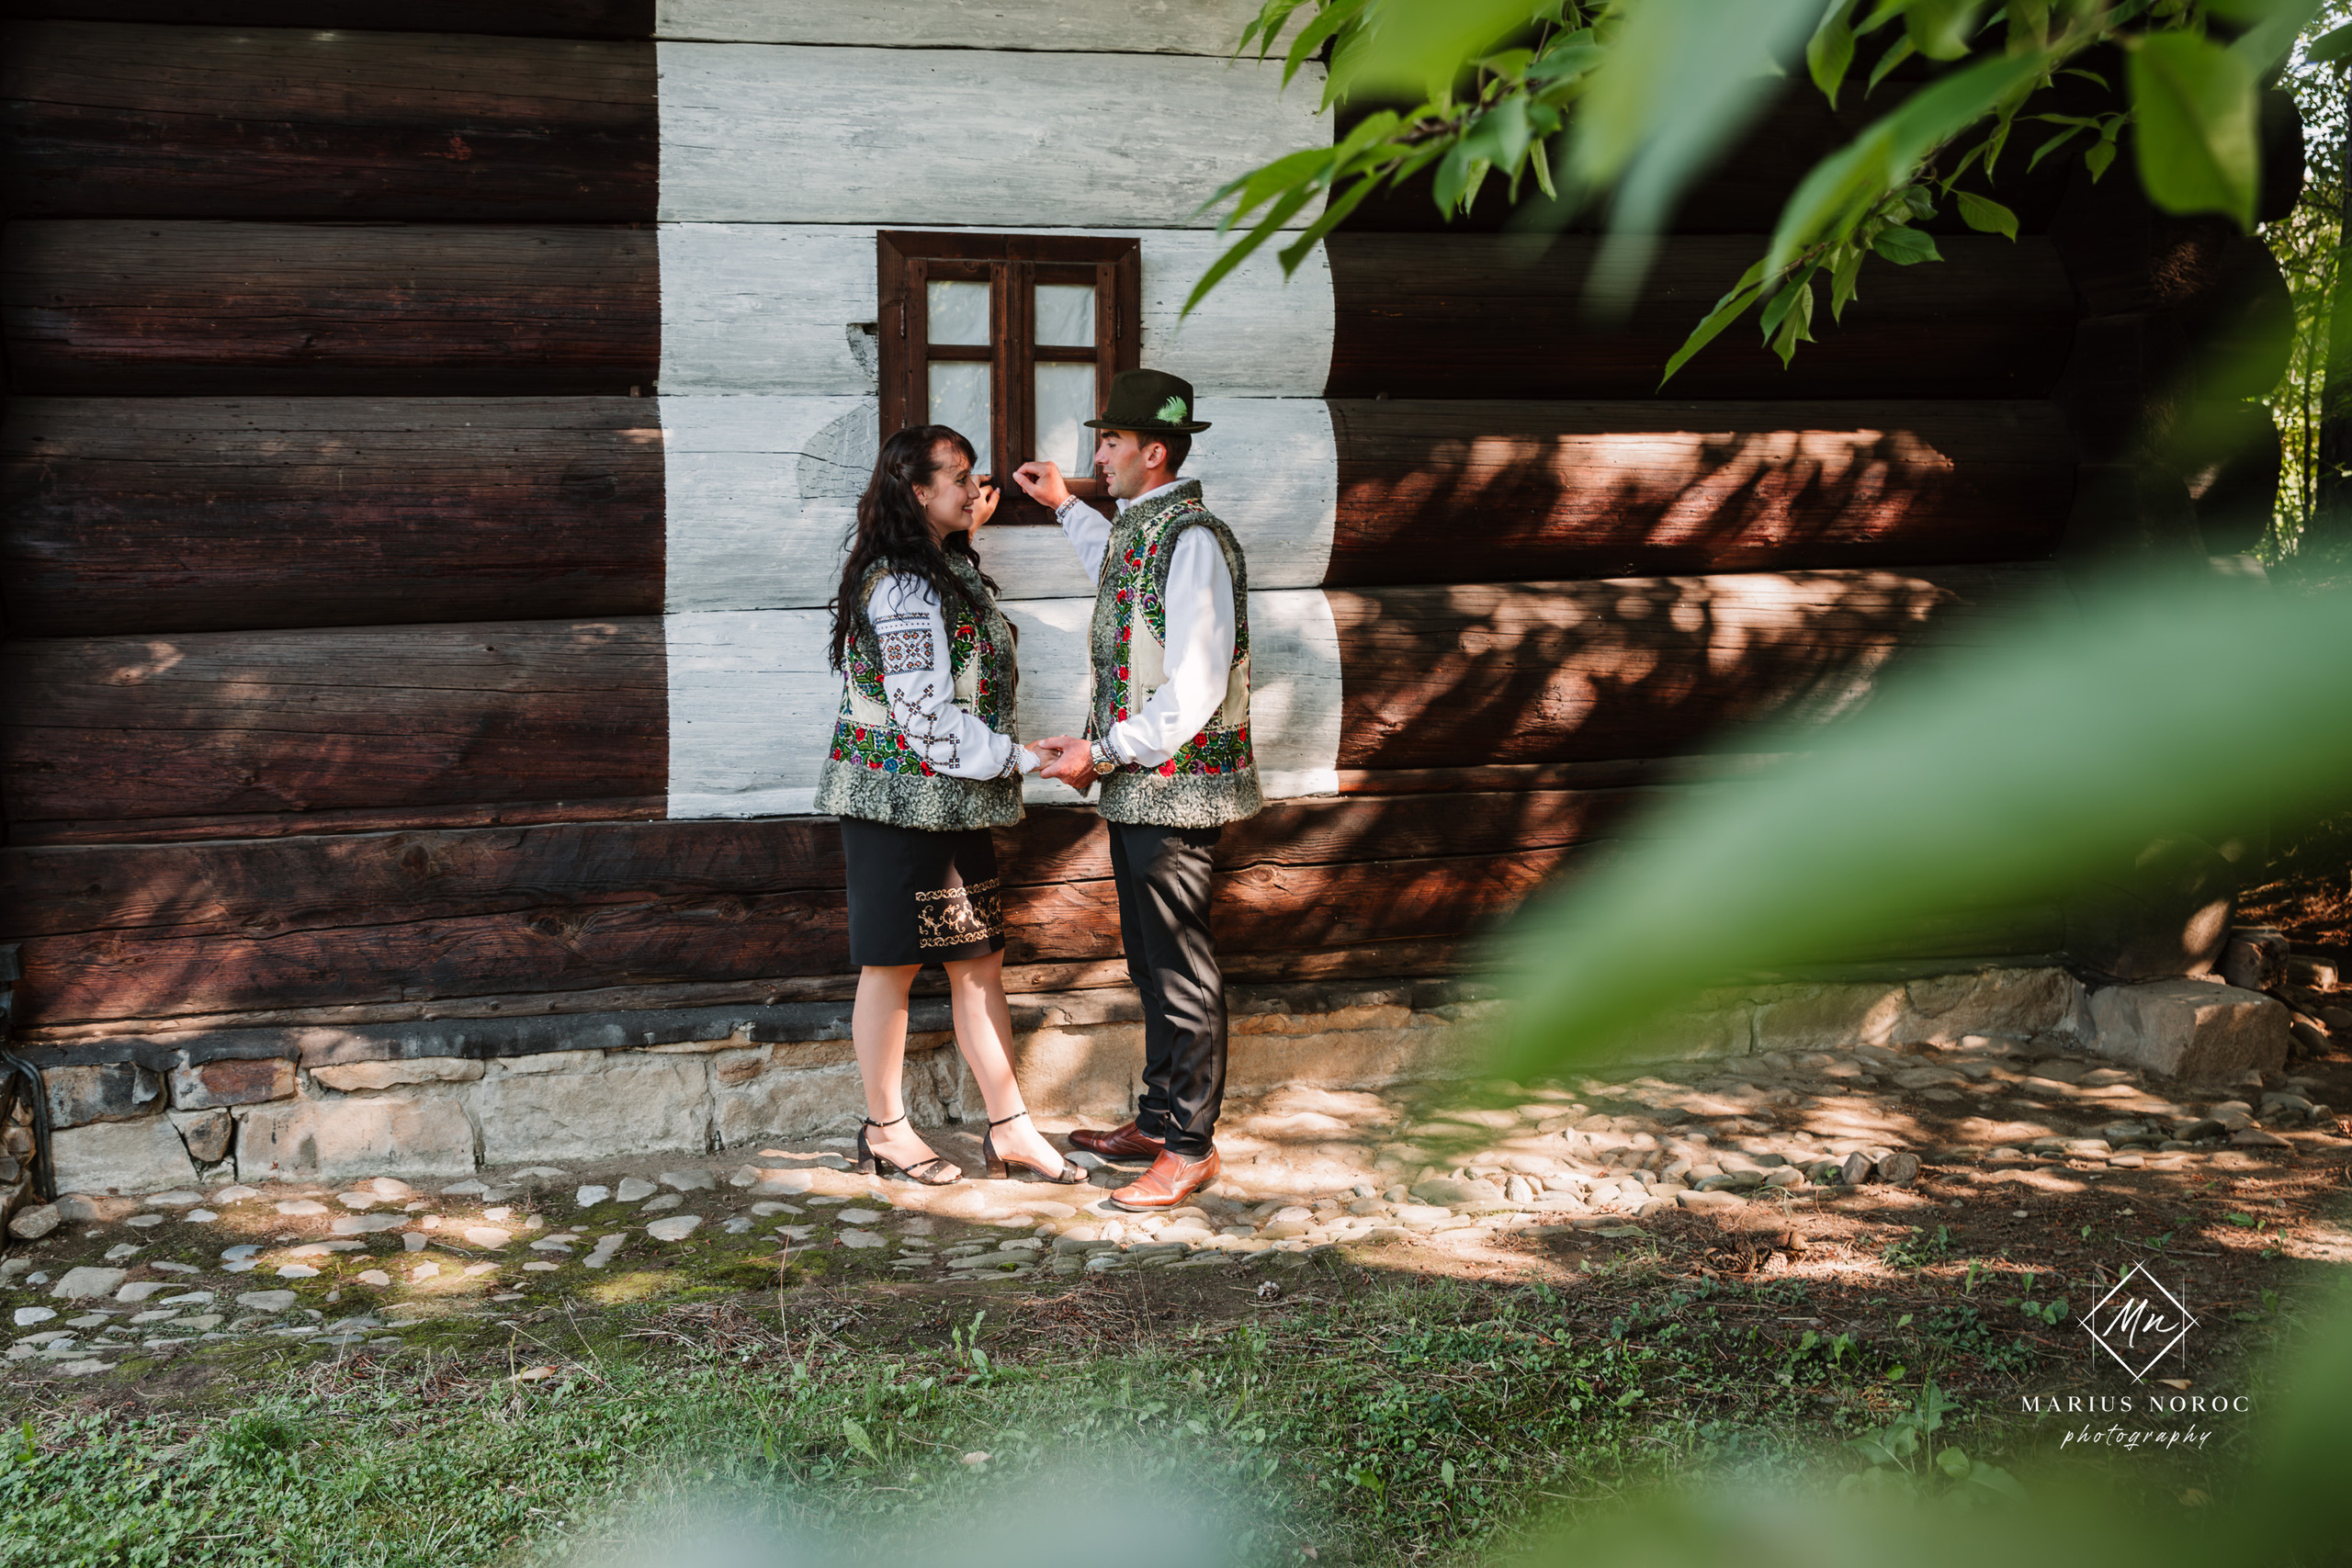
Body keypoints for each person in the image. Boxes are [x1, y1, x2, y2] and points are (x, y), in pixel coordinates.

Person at [1012, 369, 1261, 1212]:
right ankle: (1157, 1119)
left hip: (1178, 788)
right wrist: (1062, 505)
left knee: (1181, 966)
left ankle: (1190, 1145)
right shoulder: (1143, 532)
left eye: (1110, 442)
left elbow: (1190, 689)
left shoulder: (1190, 540)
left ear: (1153, 452)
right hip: (1139, 788)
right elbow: (1116, 575)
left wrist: (1103, 749)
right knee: (1149, 958)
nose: (1098, 455)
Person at [817, 424, 1084, 1187]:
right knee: (892, 966)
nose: (978, 489)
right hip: (896, 802)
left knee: (978, 960)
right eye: (961, 478)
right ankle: (887, 1130)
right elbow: (928, 722)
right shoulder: (901, 588)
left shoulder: (936, 568)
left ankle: (1012, 1128)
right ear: (916, 490)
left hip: (952, 802)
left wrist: (966, 533)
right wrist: (1024, 757)